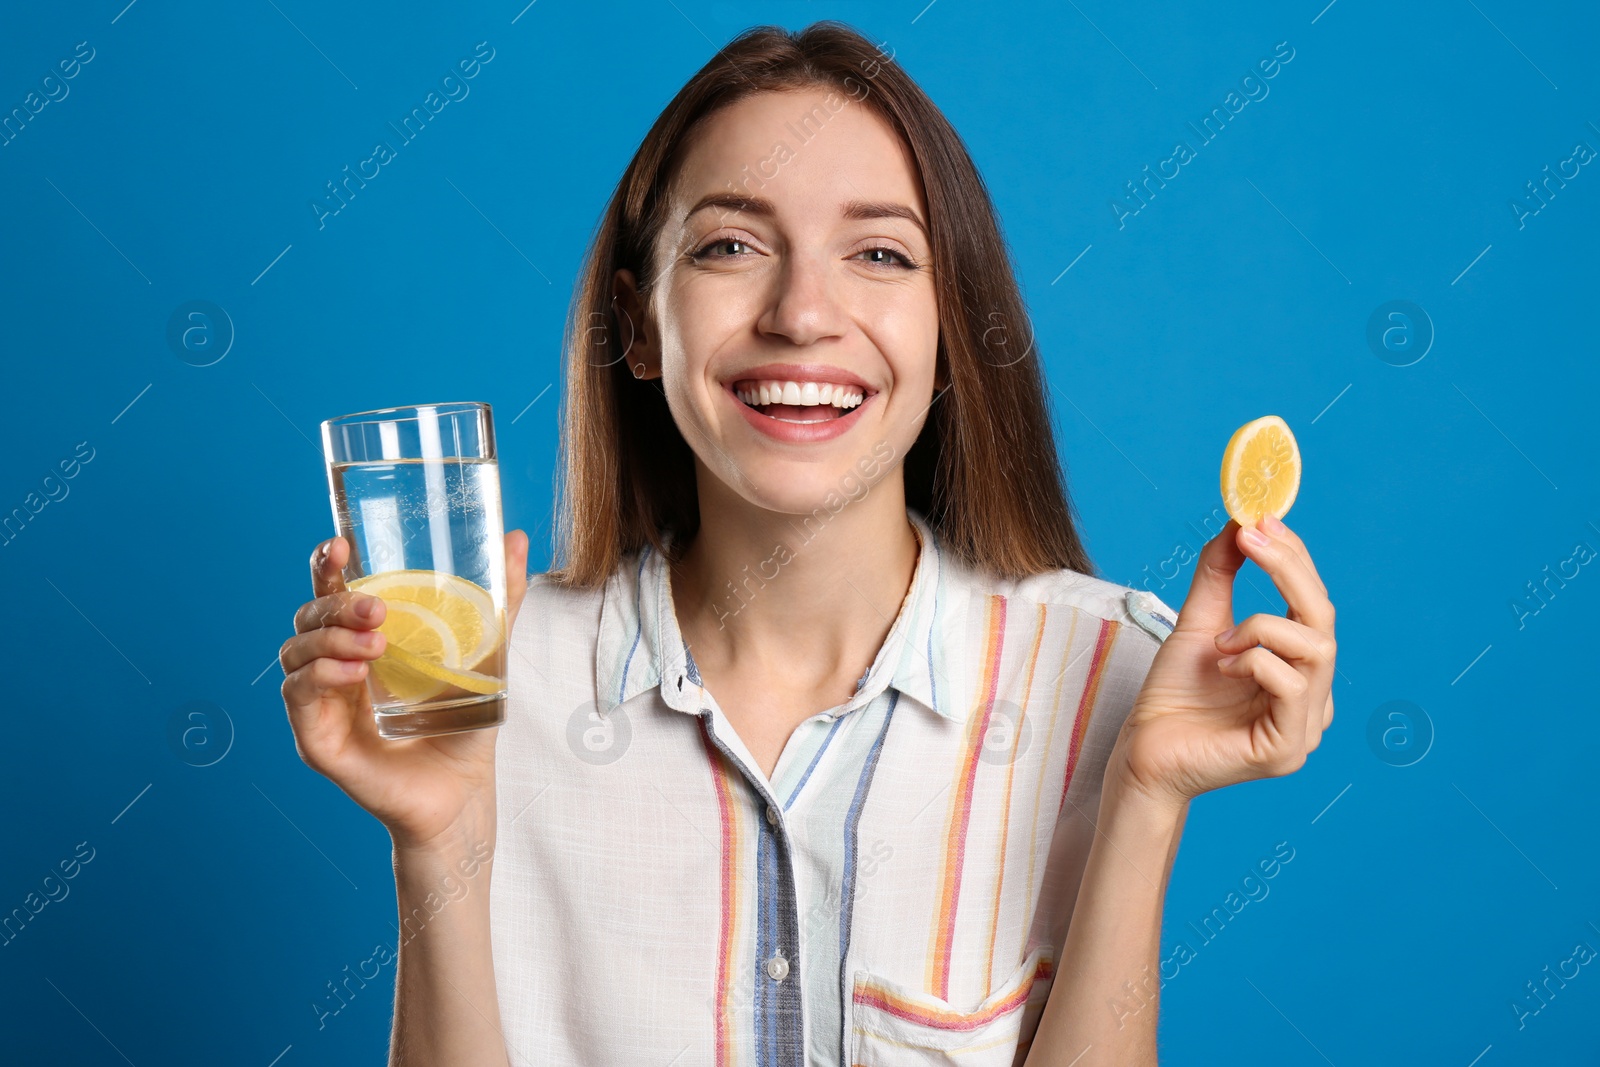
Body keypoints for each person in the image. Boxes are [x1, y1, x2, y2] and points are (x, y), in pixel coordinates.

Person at [278, 20, 1336, 1067]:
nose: (801, 312)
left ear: (950, 332)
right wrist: (441, 839)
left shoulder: (1104, 672)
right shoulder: (480, 677)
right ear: (638, 325)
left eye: (878, 252)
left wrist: (1143, 792)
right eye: (730, 245)